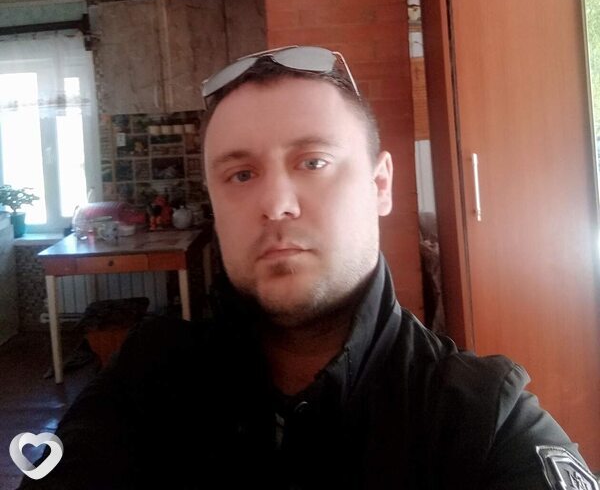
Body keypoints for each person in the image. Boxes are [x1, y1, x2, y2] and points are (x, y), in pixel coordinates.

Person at [19, 45, 597, 489]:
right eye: (241, 174)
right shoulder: (146, 381)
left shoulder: (480, 419)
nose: (276, 203)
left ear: (380, 185)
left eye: (313, 162)